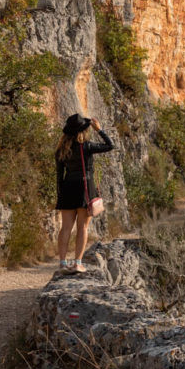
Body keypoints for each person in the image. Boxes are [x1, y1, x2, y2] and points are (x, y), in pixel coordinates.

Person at [55, 113, 115, 272]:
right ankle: (77, 263)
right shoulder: (87, 146)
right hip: (84, 188)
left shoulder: (61, 150)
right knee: (82, 227)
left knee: (65, 228)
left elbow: (59, 176)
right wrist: (100, 130)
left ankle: (62, 263)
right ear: (82, 131)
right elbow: (110, 145)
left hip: (67, 188)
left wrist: (60, 196)